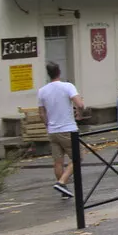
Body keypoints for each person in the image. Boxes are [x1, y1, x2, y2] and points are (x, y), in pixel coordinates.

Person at [36, 61, 84, 199]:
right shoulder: (68, 86)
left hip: (52, 130)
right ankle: (62, 182)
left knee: (58, 161)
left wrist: (48, 125)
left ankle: (63, 191)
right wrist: (79, 114)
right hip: (68, 128)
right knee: (78, 157)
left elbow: (41, 113)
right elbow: (80, 104)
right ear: (59, 72)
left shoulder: (42, 91)